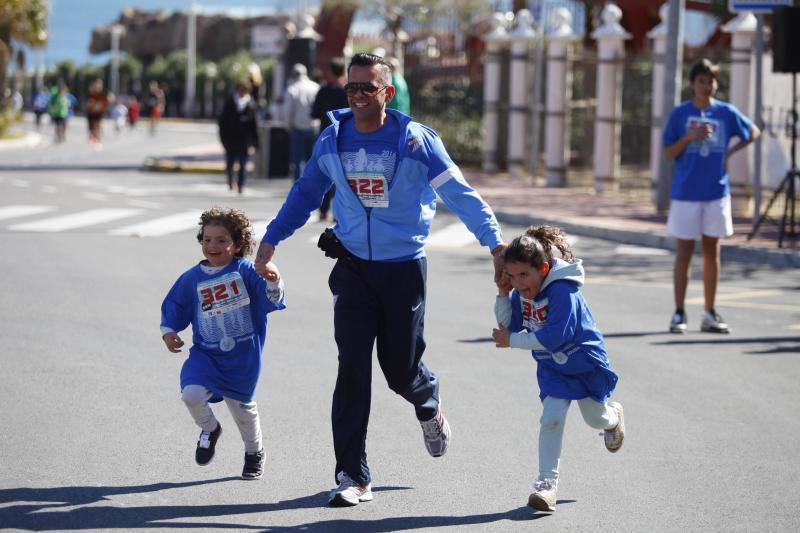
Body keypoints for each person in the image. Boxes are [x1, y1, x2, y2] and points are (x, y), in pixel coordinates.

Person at [254, 53, 506, 507]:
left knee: (399, 368)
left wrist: (495, 244)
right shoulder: (332, 140)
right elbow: (305, 193)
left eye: (366, 88)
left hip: (403, 269)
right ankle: (353, 474)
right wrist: (271, 240)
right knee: (351, 369)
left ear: (387, 92)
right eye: (351, 88)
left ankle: (428, 404)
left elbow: (460, 194)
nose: (356, 96)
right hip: (352, 269)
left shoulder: (416, 143)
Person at [491, 225, 624, 513]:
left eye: (524, 275)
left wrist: (511, 341)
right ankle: (546, 485)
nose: (518, 282)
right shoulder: (520, 293)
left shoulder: (564, 291)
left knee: (595, 418)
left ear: (544, 268)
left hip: (584, 362)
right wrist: (503, 295)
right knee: (551, 418)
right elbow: (511, 326)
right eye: (512, 276)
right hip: (553, 366)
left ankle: (613, 417)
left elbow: (555, 337)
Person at [160, 207, 285, 480]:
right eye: (207, 240)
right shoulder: (192, 278)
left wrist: (274, 280)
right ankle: (209, 428)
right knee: (190, 395)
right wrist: (169, 331)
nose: (212, 246)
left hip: (242, 357)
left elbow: (271, 299)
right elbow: (175, 304)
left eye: (221, 240)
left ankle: (254, 452)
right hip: (206, 354)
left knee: (242, 409)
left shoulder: (247, 272)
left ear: (237, 244)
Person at [663, 59, 760, 334]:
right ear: (693, 83)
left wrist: (730, 152)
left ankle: (709, 312)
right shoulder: (680, 114)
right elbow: (667, 153)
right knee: (684, 251)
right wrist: (689, 138)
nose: (707, 86)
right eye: (702, 81)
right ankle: (679, 312)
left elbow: (753, 131)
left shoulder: (726, 112)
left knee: (711, 251)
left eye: (711, 81)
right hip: (685, 193)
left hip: (716, 192)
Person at [310, 57, 349, 221]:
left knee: (326, 173)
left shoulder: (324, 91)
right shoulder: (348, 91)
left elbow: (314, 113)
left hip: (326, 136)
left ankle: (324, 210)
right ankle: (338, 212)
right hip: (347, 137)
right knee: (343, 176)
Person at [218, 82, 259, 194]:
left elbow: (254, 125)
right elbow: (222, 121)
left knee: (243, 163)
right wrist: (223, 138)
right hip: (231, 139)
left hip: (244, 140)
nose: (241, 92)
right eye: (240, 90)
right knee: (230, 163)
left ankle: (241, 185)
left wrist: (255, 142)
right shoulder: (230, 101)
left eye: (244, 90)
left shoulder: (250, 103)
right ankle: (231, 180)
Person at [283, 63, 320, 181]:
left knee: (297, 160)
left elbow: (287, 111)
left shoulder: (292, 89)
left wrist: (288, 126)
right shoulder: (316, 87)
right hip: (313, 127)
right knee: (312, 160)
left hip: (297, 128)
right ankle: (310, 184)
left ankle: (299, 187)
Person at [86, 79, 109, 145]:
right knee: (91, 128)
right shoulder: (91, 92)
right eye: (96, 84)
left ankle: (98, 138)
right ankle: (93, 135)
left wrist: (107, 101)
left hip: (100, 112)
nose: (97, 86)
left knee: (98, 124)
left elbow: (110, 98)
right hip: (91, 112)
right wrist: (91, 104)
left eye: (99, 84)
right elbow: (88, 102)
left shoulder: (104, 92)